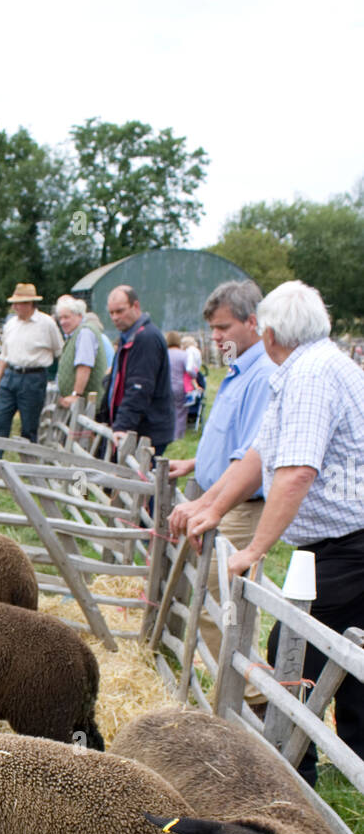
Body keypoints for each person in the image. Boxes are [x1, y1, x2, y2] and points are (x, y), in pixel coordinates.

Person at [182, 280, 364, 785]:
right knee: (347, 646)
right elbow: (259, 455)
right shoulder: (304, 370)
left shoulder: (311, 375)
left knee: (295, 640)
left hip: (349, 544)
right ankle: (346, 764)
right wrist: (211, 507)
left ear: (269, 331)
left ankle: (293, 766)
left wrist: (255, 548)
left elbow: (296, 471)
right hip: (341, 543)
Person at [167, 280, 273, 686]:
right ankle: (238, 696)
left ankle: (252, 703)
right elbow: (234, 441)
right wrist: (195, 462)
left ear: (253, 322)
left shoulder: (262, 375)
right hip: (223, 501)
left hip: (239, 507)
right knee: (217, 601)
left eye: (224, 328)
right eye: (212, 329)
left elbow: (249, 458)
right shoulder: (240, 370)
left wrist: (209, 505)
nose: (216, 338)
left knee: (223, 604)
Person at [0, 282, 63, 460]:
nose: (14, 307)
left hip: (33, 378)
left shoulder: (47, 324)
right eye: (14, 303)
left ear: (29, 303)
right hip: (10, 375)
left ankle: (27, 462)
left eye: (18, 303)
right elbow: (4, 356)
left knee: (29, 424)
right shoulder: (10, 324)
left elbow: (60, 351)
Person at [98, 285, 173, 456]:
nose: (115, 317)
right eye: (111, 313)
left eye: (120, 311)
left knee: (138, 478)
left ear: (135, 306)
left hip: (146, 428)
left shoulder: (145, 339)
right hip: (138, 424)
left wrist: (123, 425)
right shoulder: (129, 337)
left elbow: (139, 386)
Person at [55, 295, 107, 408]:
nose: (62, 322)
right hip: (80, 405)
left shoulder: (85, 333)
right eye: (60, 318)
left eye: (66, 317)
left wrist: (76, 394)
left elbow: (84, 366)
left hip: (88, 406)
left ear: (79, 315)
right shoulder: (74, 335)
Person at [166, 331, 189, 441]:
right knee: (180, 412)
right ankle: (178, 436)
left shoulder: (164, 353)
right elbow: (189, 370)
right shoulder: (183, 354)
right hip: (179, 386)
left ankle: (167, 434)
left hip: (166, 386)